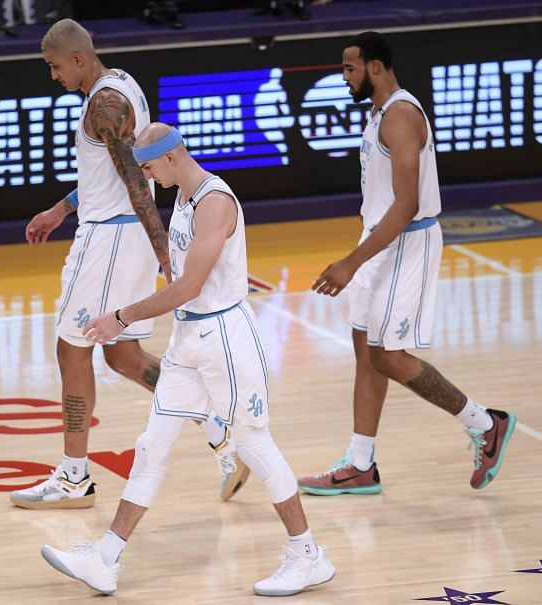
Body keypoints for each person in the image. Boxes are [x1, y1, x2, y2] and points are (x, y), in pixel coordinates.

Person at [39, 123, 336, 597]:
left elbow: (190, 285)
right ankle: (106, 556)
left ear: (172, 156)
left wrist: (122, 316)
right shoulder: (180, 196)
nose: (147, 175)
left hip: (225, 337)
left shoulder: (215, 202)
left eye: (150, 166)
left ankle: (308, 555)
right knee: (152, 445)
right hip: (188, 337)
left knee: (255, 444)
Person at [10, 19, 248, 510]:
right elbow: (113, 175)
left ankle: (74, 478)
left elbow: (139, 185)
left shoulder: (104, 102)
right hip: (122, 236)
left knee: (71, 351)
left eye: (55, 67)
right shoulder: (121, 84)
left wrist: (166, 256)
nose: (53, 77)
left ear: (78, 59)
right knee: (124, 357)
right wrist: (62, 207)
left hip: (110, 241)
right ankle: (222, 435)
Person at [298, 31, 517, 496]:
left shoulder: (399, 116)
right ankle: (360, 464)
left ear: (375, 66)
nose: (344, 77)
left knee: (387, 356)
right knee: (365, 351)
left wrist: (351, 263)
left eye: (350, 68)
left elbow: (406, 205)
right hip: (379, 239)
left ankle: (485, 423)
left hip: (405, 242)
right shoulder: (378, 111)